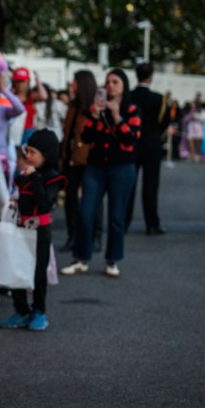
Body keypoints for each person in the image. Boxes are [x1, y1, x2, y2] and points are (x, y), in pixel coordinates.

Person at [61, 69, 141, 278]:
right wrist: (95, 115)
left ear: (123, 85)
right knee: (86, 213)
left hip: (121, 168)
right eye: (107, 82)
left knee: (116, 216)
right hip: (95, 167)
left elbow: (131, 139)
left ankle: (112, 260)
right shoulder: (96, 108)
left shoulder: (131, 109)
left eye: (115, 82)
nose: (110, 85)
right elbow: (86, 137)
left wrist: (116, 116)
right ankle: (81, 258)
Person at [0, 130, 64, 332]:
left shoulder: (52, 177)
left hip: (40, 232)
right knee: (17, 270)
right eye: (27, 150)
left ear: (46, 154)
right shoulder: (25, 175)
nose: (28, 156)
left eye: (33, 151)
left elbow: (45, 204)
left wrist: (35, 178)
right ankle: (20, 310)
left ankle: (39, 311)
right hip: (20, 228)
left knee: (37, 274)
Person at [125, 62, 171, 234]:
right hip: (152, 145)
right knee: (151, 187)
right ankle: (152, 223)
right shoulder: (159, 99)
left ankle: (124, 222)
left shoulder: (128, 96)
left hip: (132, 144)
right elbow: (164, 121)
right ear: (151, 77)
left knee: (129, 185)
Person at [59, 71, 98, 252]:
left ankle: (94, 236)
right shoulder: (73, 106)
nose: (71, 86)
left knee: (92, 199)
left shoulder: (93, 108)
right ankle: (73, 235)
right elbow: (67, 133)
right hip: (71, 160)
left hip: (89, 160)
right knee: (70, 200)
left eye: (74, 83)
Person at [183, 98, 205, 163]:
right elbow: (186, 118)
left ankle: (197, 155)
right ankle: (192, 155)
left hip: (198, 127)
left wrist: (196, 117)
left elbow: (204, 118)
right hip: (191, 127)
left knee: (198, 142)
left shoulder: (202, 111)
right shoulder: (190, 111)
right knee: (191, 142)